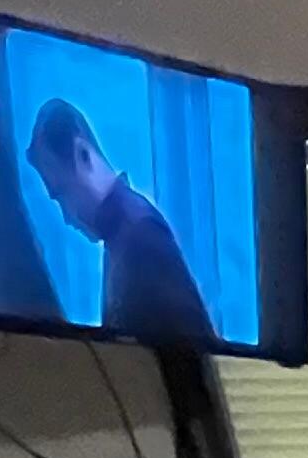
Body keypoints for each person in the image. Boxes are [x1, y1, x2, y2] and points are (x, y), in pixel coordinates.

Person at [22, 99, 218, 347]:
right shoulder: (124, 234)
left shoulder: (139, 237)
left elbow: (189, 351)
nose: (66, 218)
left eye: (62, 195)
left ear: (83, 155)